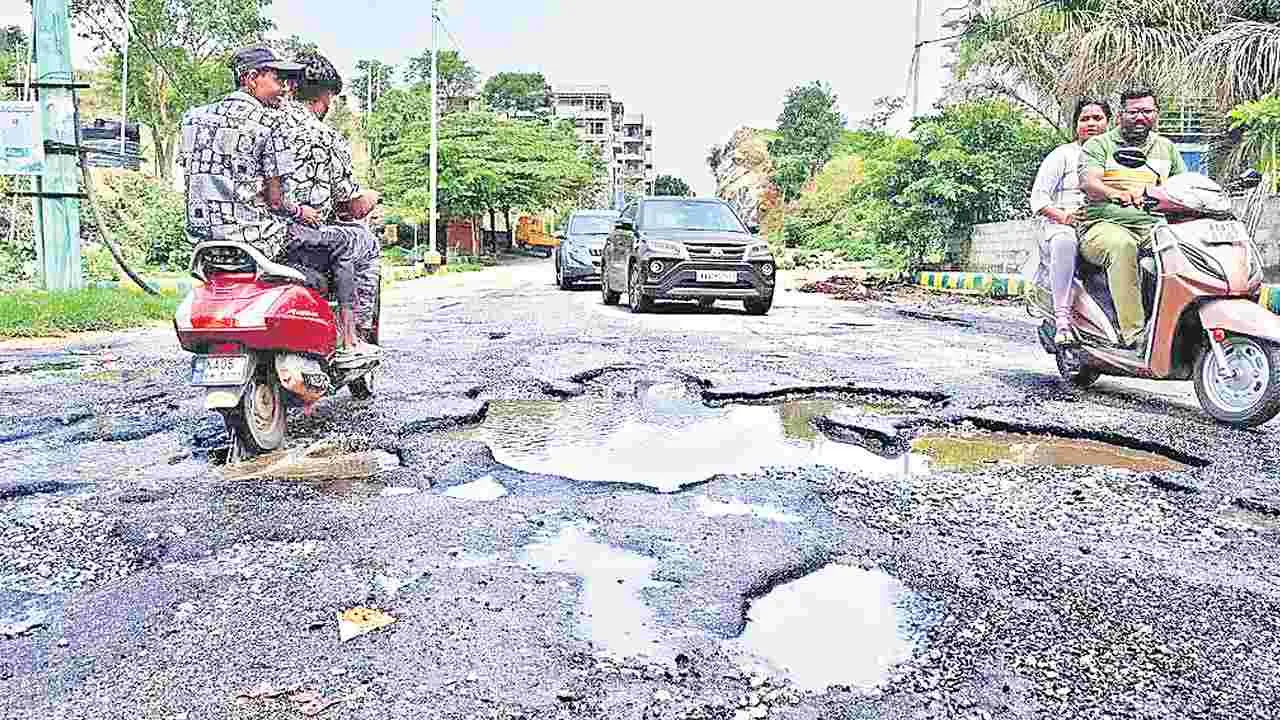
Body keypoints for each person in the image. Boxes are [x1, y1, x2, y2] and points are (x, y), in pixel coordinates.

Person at [179, 46, 373, 365]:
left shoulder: (192, 118)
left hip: (205, 240)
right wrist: (302, 212)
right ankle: (351, 340)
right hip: (257, 238)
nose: (284, 87)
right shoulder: (269, 122)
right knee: (345, 242)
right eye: (277, 78)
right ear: (251, 78)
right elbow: (277, 200)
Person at [280, 50, 383, 343]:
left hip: (252, 231)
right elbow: (351, 205)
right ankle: (358, 333)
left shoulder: (258, 123)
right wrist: (374, 196)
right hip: (302, 236)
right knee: (366, 242)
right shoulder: (324, 136)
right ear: (325, 96)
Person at [1079, 86, 1186, 351]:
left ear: (1156, 114)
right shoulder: (1099, 145)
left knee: (1184, 246)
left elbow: (1184, 185)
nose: (1141, 117)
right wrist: (1117, 194)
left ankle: (1182, 326)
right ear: (1120, 115)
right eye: (1134, 112)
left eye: (1147, 111)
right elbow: (1089, 183)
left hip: (1153, 226)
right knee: (1122, 246)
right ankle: (1134, 334)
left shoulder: (1166, 148)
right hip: (1103, 225)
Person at [1030, 98, 1112, 346]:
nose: (1091, 124)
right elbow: (1039, 199)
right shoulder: (1063, 155)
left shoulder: (1115, 155)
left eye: (1097, 118)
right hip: (1062, 224)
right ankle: (1062, 320)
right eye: (1084, 119)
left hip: (1102, 224)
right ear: (1076, 125)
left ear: (1109, 122)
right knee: (1065, 241)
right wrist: (1065, 217)